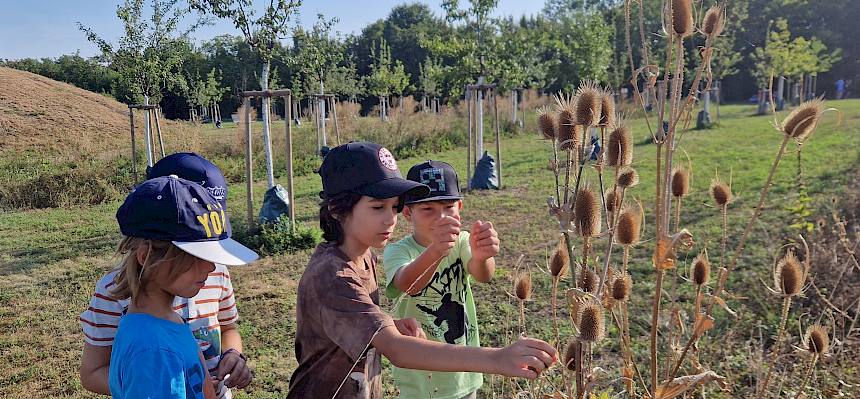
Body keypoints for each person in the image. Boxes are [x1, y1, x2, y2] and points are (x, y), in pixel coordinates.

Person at [287, 142, 557, 399]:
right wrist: (495, 358)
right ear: (337, 209)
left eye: (394, 206)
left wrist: (388, 323)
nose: (390, 218)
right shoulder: (333, 276)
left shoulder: (360, 255)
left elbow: (352, 318)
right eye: (378, 207)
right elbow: (396, 350)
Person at [80, 153, 253, 398]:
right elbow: (95, 372)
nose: (212, 266)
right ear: (146, 255)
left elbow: (228, 327)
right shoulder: (151, 346)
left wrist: (231, 355)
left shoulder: (173, 315)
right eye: (196, 253)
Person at [383, 160, 499, 399]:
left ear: (460, 207)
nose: (441, 217)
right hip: (421, 378)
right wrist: (436, 250)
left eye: (448, 207)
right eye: (428, 210)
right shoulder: (397, 251)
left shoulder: (463, 241)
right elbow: (407, 285)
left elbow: (483, 274)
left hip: (464, 371)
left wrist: (482, 256)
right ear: (407, 212)